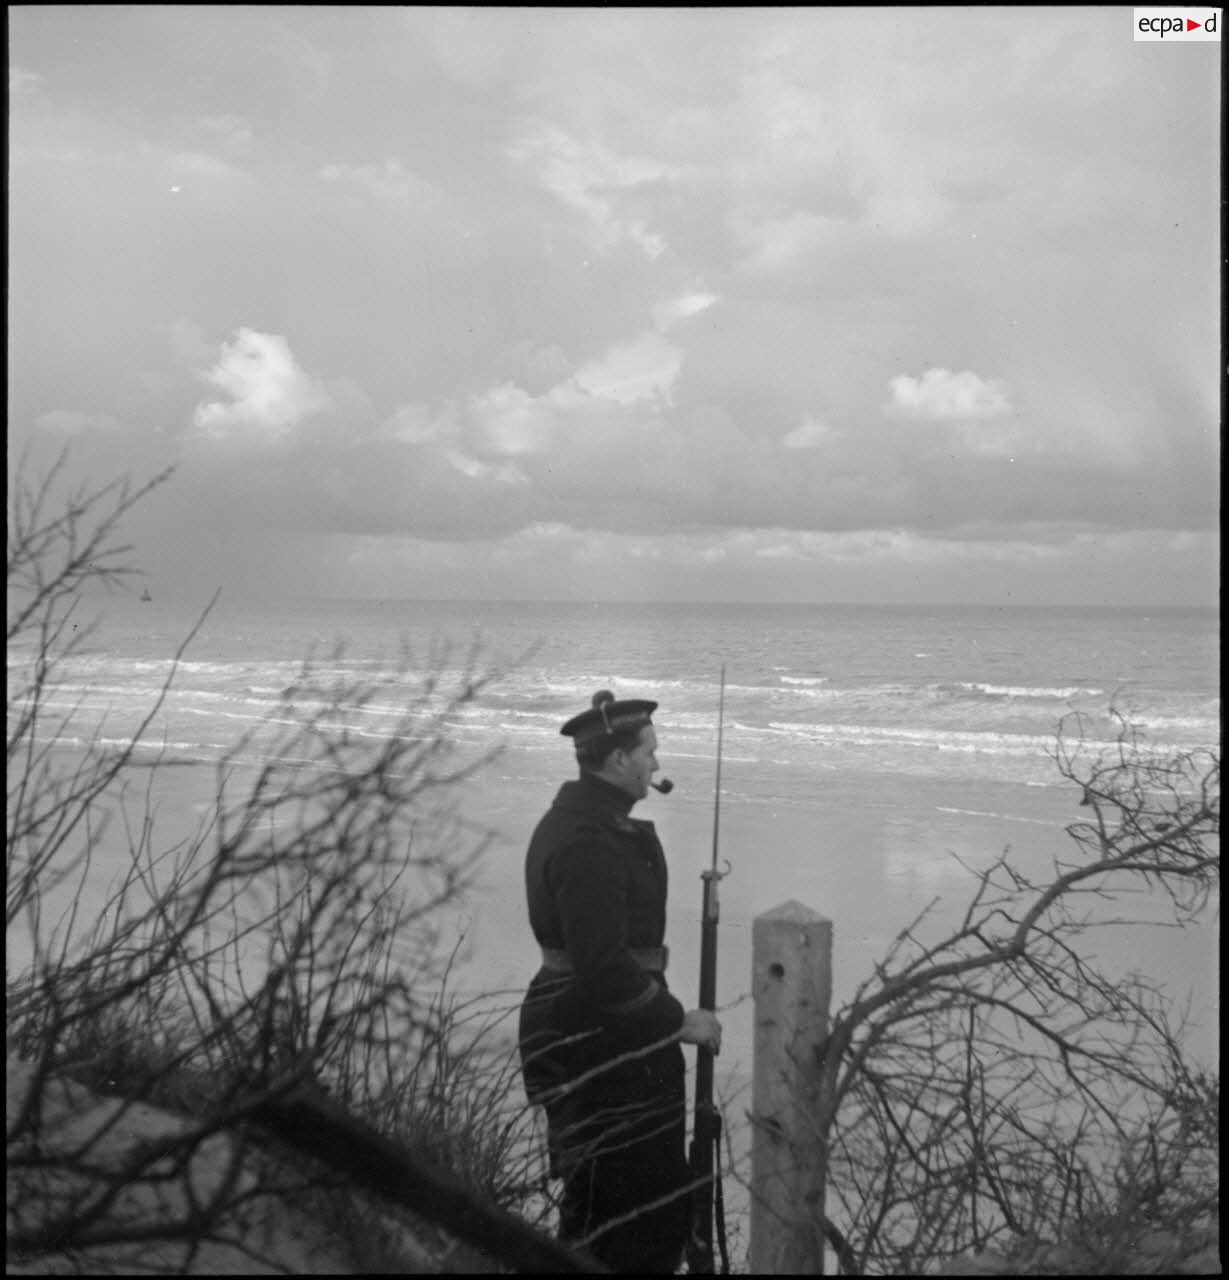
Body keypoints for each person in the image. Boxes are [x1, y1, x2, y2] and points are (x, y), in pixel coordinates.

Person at [518, 690, 722, 1274]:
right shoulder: (588, 842)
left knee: (609, 1208)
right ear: (617, 762)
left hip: (601, 1032)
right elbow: (603, 966)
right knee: (634, 1216)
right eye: (649, 753)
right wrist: (676, 1020)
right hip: (602, 1040)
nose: (656, 765)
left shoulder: (588, 823)